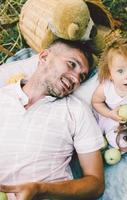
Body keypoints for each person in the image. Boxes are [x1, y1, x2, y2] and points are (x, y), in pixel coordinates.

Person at [0, 39, 104, 199]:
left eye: (82, 77)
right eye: (71, 64)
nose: (76, 79)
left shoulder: (77, 111)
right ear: (44, 57)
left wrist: (41, 189)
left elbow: (96, 184)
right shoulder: (3, 97)